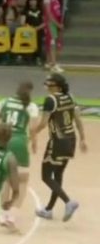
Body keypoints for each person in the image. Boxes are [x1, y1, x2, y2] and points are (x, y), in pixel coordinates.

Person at [30, 73, 87, 222]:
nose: (47, 86)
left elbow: (43, 123)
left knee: (46, 176)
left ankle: (68, 202)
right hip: (71, 139)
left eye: (50, 83)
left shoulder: (51, 100)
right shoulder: (71, 97)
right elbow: (78, 119)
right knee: (58, 175)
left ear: (57, 86)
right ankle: (48, 210)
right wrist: (83, 138)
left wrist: (32, 133)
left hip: (57, 141)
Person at [0, 81, 39, 230]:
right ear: (30, 91)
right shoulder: (31, 106)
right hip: (19, 142)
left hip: (4, 141)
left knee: (5, 179)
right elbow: (32, 128)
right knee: (22, 181)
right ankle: (12, 215)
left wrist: (0, 134)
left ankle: (2, 215)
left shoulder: (4, 102)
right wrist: (34, 142)